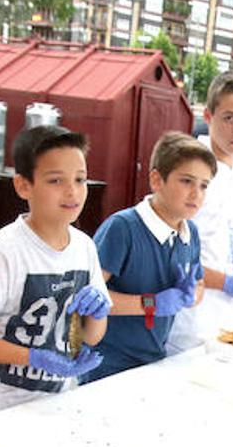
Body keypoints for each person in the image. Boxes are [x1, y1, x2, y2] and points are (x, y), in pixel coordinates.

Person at [0, 125, 109, 417]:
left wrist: (98, 314)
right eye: (56, 180)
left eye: (80, 179)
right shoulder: (2, 253)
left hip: (54, 404)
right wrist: (32, 357)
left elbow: (91, 337)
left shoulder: (85, 247)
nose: (72, 191)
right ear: (24, 186)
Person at [85, 131, 211, 382]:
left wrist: (191, 295)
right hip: (106, 366)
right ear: (156, 180)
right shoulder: (122, 228)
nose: (196, 193)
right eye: (186, 181)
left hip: (154, 360)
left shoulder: (190, 232)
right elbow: (86, 297)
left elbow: (199, 284)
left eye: (204, 185)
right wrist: (150, 303)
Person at [167, 71, 233, 353]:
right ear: (209, 116)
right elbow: (169, 255)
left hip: (232, 323)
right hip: (192, 326)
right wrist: (226, 282)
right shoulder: (189, 173)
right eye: (229, 118)